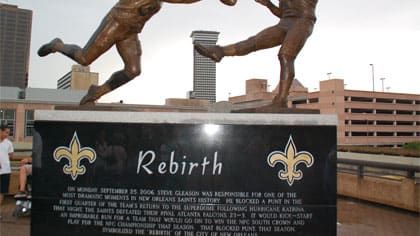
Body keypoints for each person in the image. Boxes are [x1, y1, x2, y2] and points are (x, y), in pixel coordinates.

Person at [38, 0, 237, 105]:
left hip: (131, 31)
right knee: (84, 58)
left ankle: (96, 92)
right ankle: (58, 45)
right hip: (116, 23)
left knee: (133, 70)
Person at [194, 0, 318, 108]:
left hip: (303, 21)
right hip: (286, 22)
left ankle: (281, 99)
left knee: (285, 55)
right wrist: (268, 4)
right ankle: (218, 51)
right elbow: (282, 13)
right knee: (254, 42)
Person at [0, 123, 14, 219]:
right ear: (0, 131)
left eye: (8, 133)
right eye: (6, 132)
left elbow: (11, 155)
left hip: (5, 170)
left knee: (2, 192)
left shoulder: (9, 143)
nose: (7, 134)